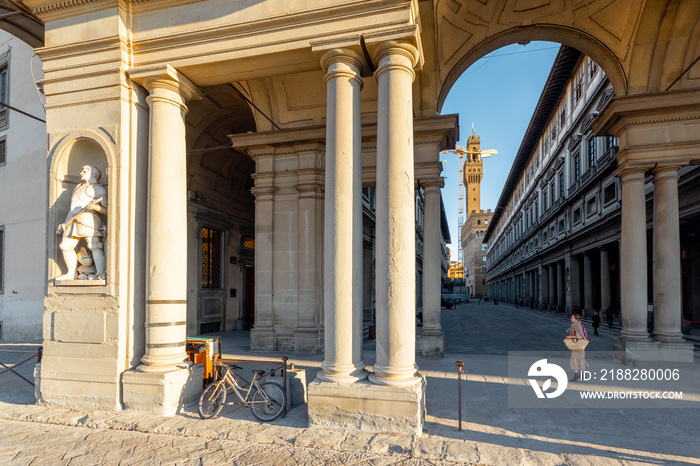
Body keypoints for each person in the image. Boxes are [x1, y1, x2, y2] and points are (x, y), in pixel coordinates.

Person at [57, 165, 108, 280]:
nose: (81, 173)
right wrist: (65, 223)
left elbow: (107, 210)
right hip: (72, 219)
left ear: (93, 174)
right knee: (65, 246)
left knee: (93, 246)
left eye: (84, 171)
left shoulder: (99, 189)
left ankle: (100, 273)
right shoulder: (77, 187)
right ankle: (71, 274)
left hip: (89, 218)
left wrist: (95, 207)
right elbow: (73, 208)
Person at [565, 313, 589, 382]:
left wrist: (570, 337)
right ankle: (581, 375)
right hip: (577, 345)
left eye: (573, 317)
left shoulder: (577, 325)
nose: (571, 318)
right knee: (579, 359)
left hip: (578, 345)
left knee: (574, 359)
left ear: (577, 319)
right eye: (571, 317)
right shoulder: (575, 324)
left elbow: (581, 336)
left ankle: (576, 376)